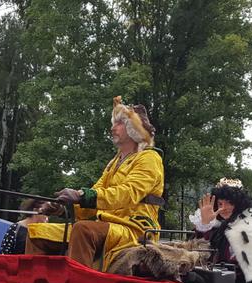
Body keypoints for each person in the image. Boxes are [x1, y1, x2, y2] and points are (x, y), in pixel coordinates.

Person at [25, 96, 164, 271]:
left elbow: (128, 192)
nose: (112, 128)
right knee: (37, 232)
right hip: (107, 227)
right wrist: (64, 208)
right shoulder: (113, 163)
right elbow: (94, 195)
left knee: (83, 229)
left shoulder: (149, 157)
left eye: (119, 123)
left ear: (134, 128)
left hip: (134, 229)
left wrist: (83, 195)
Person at [189, 178, 252, 283]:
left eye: (229, 203)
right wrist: (204, 224)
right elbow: (200, 249)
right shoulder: (217, 226)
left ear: (239, 204)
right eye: (220, 204)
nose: (224, 208)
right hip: (220, 279)